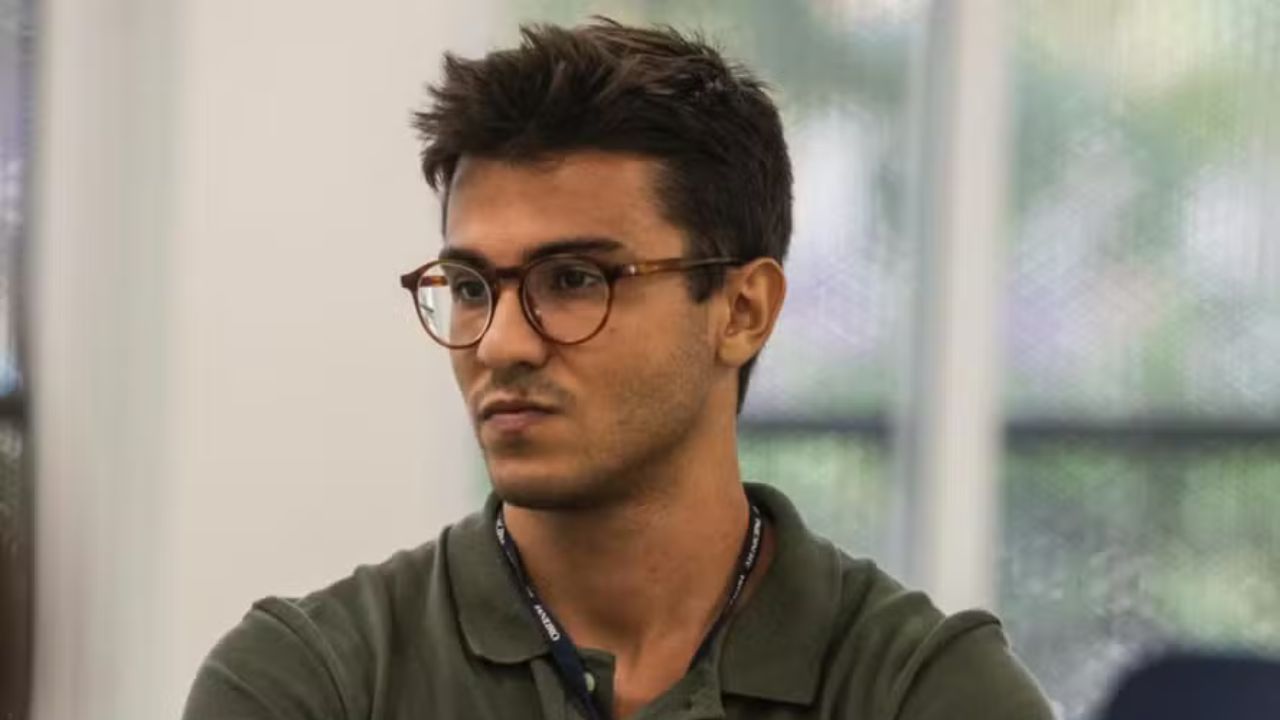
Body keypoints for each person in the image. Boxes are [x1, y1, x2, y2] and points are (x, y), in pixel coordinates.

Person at [183, 18, 1053, 720]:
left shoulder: (927, 692)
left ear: (742, 311)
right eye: (472, 287)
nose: (500, 344)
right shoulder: (311, 683)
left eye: (573, 280)